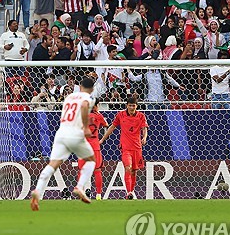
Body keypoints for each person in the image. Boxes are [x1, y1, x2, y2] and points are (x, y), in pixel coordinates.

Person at [30, 77, 97, 211]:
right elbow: (83, 106)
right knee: (91, 160)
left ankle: (38, 191)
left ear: (80, 86)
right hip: (75, 133)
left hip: (61, 133)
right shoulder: (89, 98)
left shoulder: (70, 97)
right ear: (92, 89)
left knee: (53, 164)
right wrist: (85, 127)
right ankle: (80, 186)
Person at [100, 97, 148, 199]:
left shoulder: (141, 116)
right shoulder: (120, 115)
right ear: (126, 105)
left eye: (133, 105)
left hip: (137, 147)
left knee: (134, 171)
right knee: (128, 167)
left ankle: (131, 191)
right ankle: (129, 192)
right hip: (125, 147)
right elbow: (112, 127)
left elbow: (144, 128)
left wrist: (144, 137)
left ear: (136, 106)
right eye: (130, 105)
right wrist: (102, 139)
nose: (131, 107)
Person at [77, 102, 107, 200]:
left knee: (82, 170)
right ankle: (98, 195)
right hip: (95, 146)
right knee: (97, 170)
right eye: (98, 105)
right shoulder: (99, 116)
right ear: (95, 106)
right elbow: (106, 124)